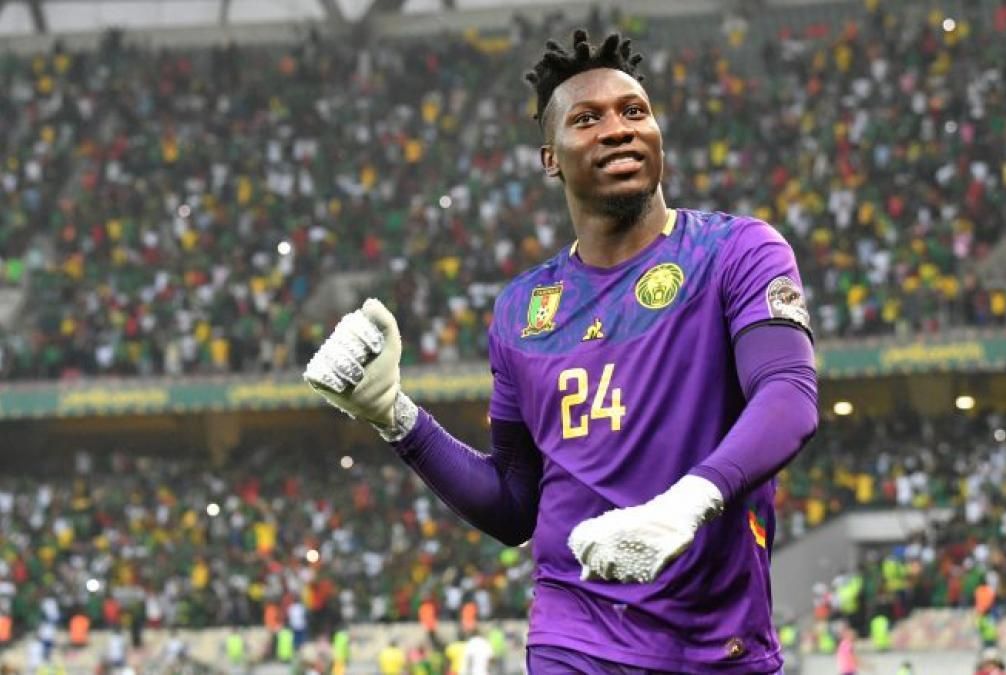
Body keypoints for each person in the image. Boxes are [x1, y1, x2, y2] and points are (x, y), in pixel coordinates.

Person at [303, 28, 819, 672]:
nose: (618, 129)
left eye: (634, 111)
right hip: (573, 641)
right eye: (587, 119)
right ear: (551, 159)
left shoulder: (737, 252)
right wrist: (394, 415)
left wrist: (688, 502)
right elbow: (513, 505)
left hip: (716, 642)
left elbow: (789, 394)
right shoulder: (521, 311)